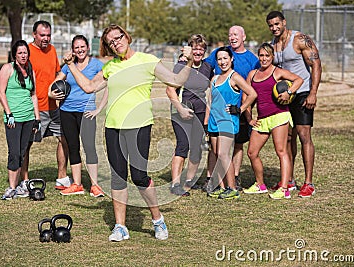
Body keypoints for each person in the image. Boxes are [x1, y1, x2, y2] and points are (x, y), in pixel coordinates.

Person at [62, 24, 194, 242]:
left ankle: (157, 219)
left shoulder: (147, 60)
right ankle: (120, 226)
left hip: (140, 125)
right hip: (113, 127)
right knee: (118, 177)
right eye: (111, 42)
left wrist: (188, 61)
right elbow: (88, 87)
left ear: (127, 37)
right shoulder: (110, 67)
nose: (116, 43)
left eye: (118, 37)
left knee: (140, 177)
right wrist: (70, 65)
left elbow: (177, 81)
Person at [266, 11, 322, 198]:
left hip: (302, 93)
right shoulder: (274, 45)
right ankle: (288, 180)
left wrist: (313, 93)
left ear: (284, 22)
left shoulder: (299, 39)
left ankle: (309, 183)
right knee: (288, 138)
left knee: (304, 135)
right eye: (271, 25)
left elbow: (316, 65)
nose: (274, 28)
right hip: (283, 97)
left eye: (277, 24)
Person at [204, 25, 260, 191]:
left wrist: (241, 109)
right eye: (219, 59)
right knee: (217, 152)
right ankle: (220, 186)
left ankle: (233, 185)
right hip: (214, 120)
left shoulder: (243, 67)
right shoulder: (214, 77)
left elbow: (253, 92)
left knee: (228, 151)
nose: (222, 61)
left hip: (230, 118)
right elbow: (210, 100)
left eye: (236, 34)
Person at [244, 43, 303, 199]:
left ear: (272, 57)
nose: (264, 59)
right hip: (262, 119)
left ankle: (284, 188)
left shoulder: (277, 72)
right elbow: (246, 97)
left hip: (279, 116)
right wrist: (249, 118)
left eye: (267, 56)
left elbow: (298, 79)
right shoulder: (252, 74)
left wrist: (289, 92)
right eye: (261, 55)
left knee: (281, 151)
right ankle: (260, 184)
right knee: (252, 152)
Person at [48, 35, 104, 197]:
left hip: (86, 112)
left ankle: (95, 185)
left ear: (87, 47)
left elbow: (107, 85)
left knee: (89, 148)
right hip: (66, 111)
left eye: (82, 47)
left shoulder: (96, 65)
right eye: (76, 47)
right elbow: (53, 85)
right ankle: (77, 184)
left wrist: (98, 108)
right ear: (72, 50)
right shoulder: (67, 66)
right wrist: (52, 95)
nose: (79, 50)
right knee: (73, 147)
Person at [20, 20, 71, 194]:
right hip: (34, 108)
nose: (46, 38)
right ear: (34, 34)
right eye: (42, 35)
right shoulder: (26, 51)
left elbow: (57, 74)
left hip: (53, 107)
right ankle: (25, 181)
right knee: (26, 145)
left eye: (48, 35)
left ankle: (62, 177)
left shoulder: (52, 50)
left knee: (64, 139)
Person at [166, 34, 213, 197]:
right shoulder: (181, 66)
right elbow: (170, 90)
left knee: (197, 149)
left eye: (201, 49)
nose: (198, 52)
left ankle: (189, 181)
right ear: (189, 50)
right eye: (195, 48)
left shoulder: (208, 67)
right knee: (183, 145)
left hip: (199, 112)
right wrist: (180, 109)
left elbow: (213, 89)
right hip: (181, 112)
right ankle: (175, 183)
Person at [0, 40, 41, 200]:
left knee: (23, 152)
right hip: (13, 119)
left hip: (29, 118)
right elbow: (1, 92)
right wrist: (9, 113)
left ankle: (21, 186)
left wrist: (37, 118)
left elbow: (33, 95)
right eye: (20, 53)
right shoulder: (7, 69)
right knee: (14, 152)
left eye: (25, 52)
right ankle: (11, 187)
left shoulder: (30, 70)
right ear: (14, 54)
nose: (23, 55)